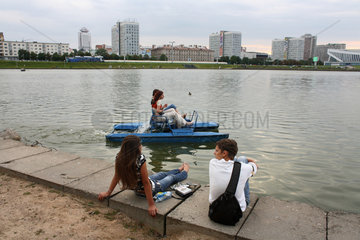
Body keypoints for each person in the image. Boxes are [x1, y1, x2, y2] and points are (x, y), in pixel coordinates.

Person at [98, 135, 190, 217]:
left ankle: (178, 169)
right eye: (140, 144)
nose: (141, 146)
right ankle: (184, 171)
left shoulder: (119, 157)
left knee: (161, 174)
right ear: (136, 148)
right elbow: (146, 183)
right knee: (171, 178)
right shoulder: (140, 159)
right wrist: (151, 205)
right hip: (152, 188)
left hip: (138, 188)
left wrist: (108, 192)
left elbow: (116, 176)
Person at [209, 139, 258, 215]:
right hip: (236, 209)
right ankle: (241, 159)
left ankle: (239, 159)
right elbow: (255, 167)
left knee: (239, 162)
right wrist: (250, 160)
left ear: (224, 153)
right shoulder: (245, 168)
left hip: (215, 205)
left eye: (216, 151)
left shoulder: (212, 163)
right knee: (242, 161)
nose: (214, 153)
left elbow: (227, 161)